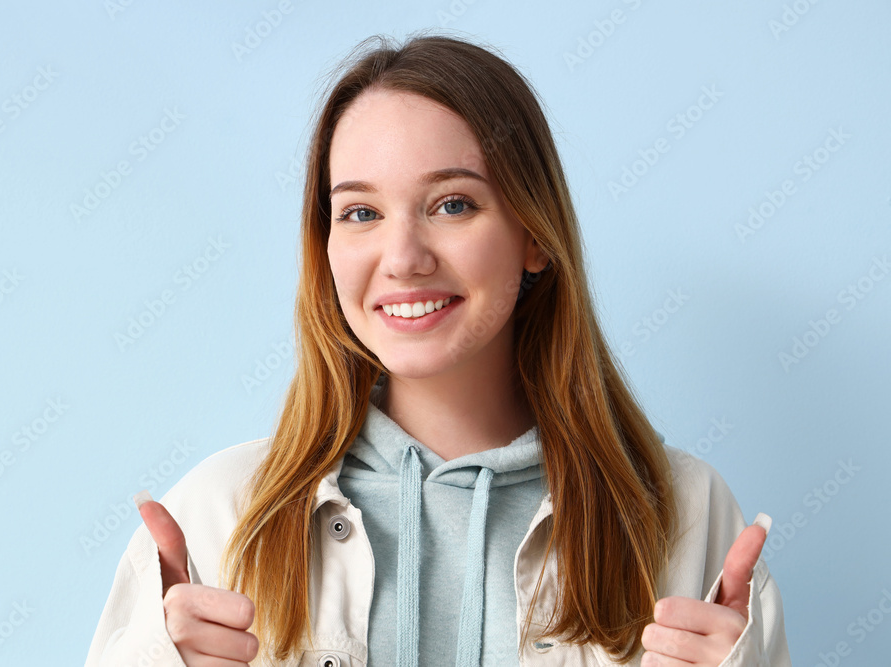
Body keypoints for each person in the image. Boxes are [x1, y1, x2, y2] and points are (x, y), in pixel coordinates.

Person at [84, 31, 791, 667]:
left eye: (452, 203)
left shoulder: (682, 512)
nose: (402, 257)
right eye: (360, 212)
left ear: (534, 233)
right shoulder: (222, 511)